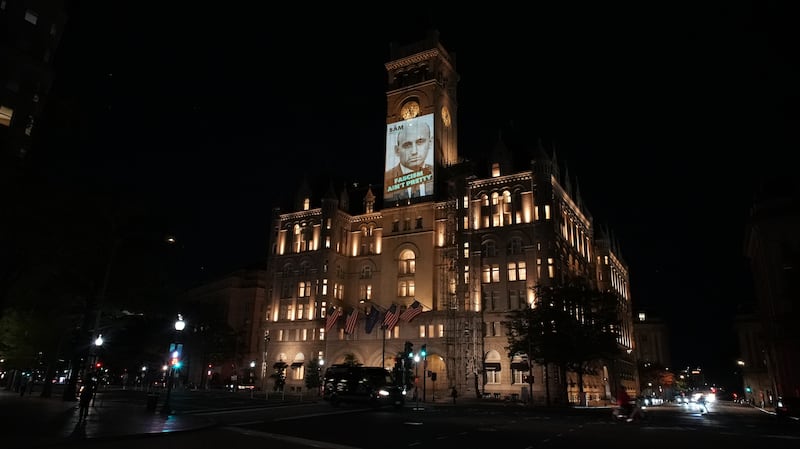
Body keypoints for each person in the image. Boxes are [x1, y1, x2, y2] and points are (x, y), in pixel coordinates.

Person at [384, 119, 434, 201]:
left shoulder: (436, 174)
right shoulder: (387, 179)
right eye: (407, 145)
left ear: (430, 143)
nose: (414, 152)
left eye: (420, 142)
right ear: (397, 150)